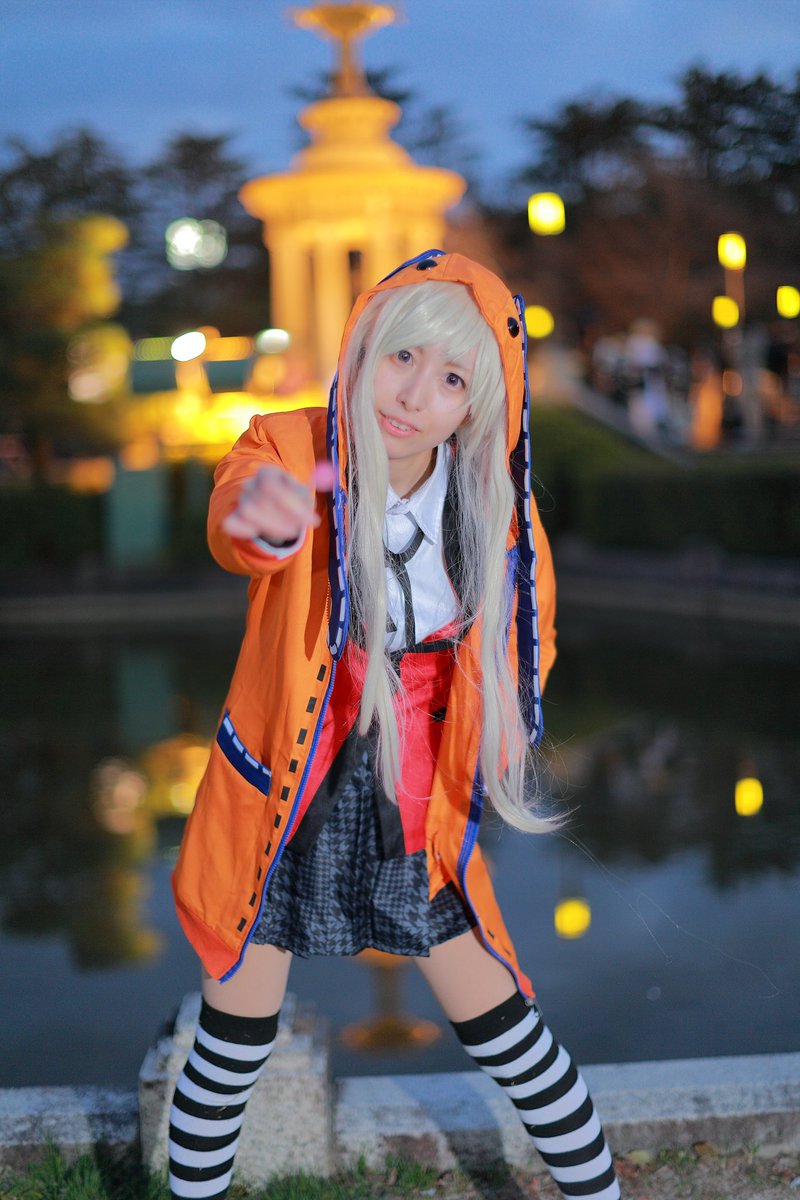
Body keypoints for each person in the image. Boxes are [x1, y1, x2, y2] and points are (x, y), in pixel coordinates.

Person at [168, 251, 620, 1200]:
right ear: (363, 347)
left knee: (508, 1030)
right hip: (284, 787)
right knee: (233, 1038)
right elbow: (238, 516)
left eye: (452, 378)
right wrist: (264, 519)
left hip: (416, 798)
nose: (414, 395)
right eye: (402, 356)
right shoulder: (292, 447)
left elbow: (529, 638)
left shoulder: (496, 508)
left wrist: (494, 737)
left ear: (479, 404)